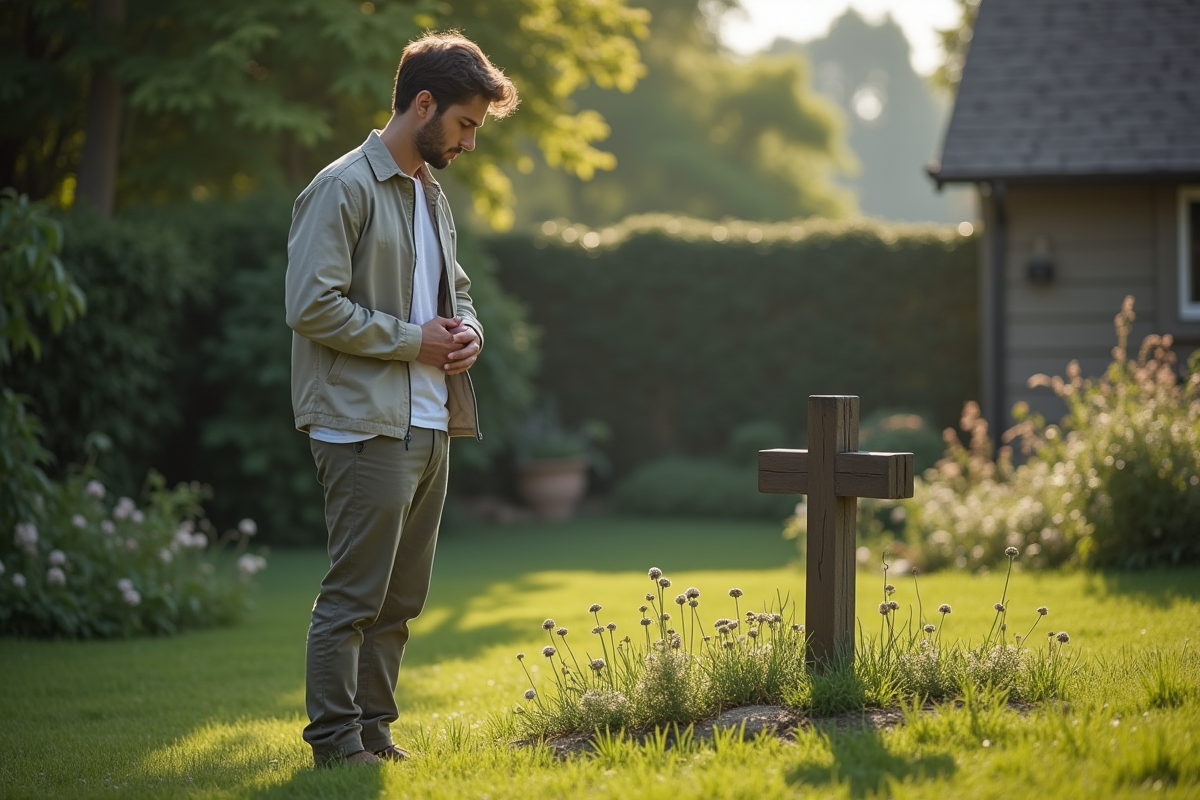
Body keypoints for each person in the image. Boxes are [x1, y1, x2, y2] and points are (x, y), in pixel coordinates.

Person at [283, 31, 518, 768]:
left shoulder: (431, 196)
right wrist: (412, 341)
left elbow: (459, 294)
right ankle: (333, 744)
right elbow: (310, 306)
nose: (470, 142)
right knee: (353, 599)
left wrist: (468, 333)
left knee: (400, 602)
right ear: (424, 102)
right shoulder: (341, 187)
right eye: (465, 124)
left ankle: (375, 733)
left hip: (431, 422)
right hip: (360, 423)